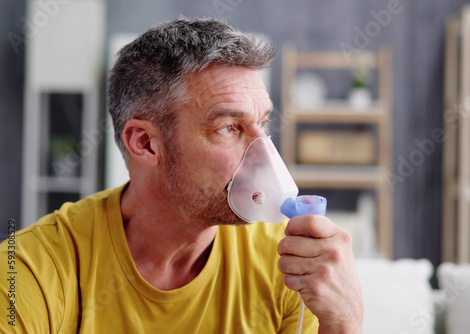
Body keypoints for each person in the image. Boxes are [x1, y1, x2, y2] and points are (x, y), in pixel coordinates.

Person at [0, 18, 363, 333]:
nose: (265, 154)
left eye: (263, 124)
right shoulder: (30, 270)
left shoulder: (288, 263)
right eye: (228, 128)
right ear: (145, 144)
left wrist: (344, 324)